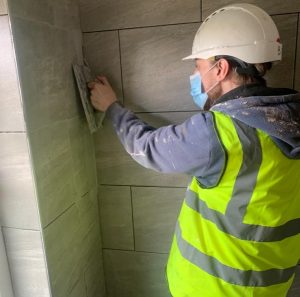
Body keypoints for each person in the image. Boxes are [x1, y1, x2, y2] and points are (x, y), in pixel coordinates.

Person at [88, 3, 300, 296]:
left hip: (212, 289)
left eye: (199, 67)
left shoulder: (219, 133)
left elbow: (146, 147)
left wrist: (111, 106)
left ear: (221, 68)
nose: (196, 76)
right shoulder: (290, 120)